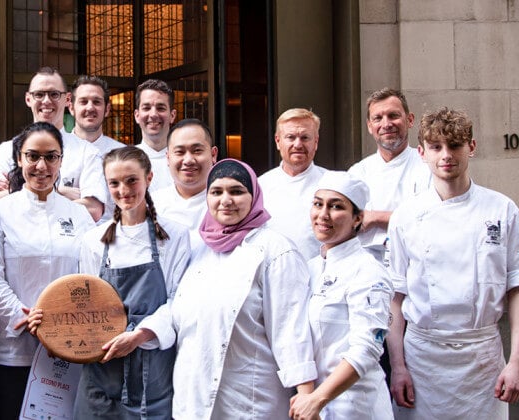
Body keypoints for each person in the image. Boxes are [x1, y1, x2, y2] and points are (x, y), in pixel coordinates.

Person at [134, 159, 317, 419]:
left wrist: (305, 394)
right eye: (216, 192)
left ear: (254, 196)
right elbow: (177, 307)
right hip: (193, 395)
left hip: (250, 398)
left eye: (236, 191)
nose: (225, 200)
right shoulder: (196, 246)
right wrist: (142, 333)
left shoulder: (275, 249)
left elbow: (290, 328)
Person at [387, 108, 519, 419]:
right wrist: (398, 367)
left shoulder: (502, 209)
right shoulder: (405, 216)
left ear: (471, 147)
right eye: (436, 147)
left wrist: (517, 361)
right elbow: (395, 299)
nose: (446, 155)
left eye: (454, 146)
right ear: (421, 153)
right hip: (422, 358)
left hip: (481, 357)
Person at [25, 147, 191, 419]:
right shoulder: (94, 241)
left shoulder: (174, 236)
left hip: (151, 371)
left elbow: (179, 302)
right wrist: (48, 323)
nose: (123, 190)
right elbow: (82, 306)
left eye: (131, 180)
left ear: (148, 178)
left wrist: (140, 335)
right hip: (100, 371)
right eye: (114, 183)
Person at [0, 122, 96, 419]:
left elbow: (92, 276)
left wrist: (63, 327)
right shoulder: (0, 212)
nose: (41, 166)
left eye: (51, 157)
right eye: (32, 156)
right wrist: (23, 315)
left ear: (61, 160)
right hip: (13, 349)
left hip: (68, 349)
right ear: (19, 159)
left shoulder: (79, 215)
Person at [288, 174, 394, 420]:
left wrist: (317, 399)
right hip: (311, 406)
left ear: (358, 218)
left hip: (356, 405)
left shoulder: (368, 271)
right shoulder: (310, 267)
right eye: (318, 204)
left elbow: (367, 348)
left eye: (336, 206)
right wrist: (308, 397)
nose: (323, 214)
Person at [0, 67, 107, 220]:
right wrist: (60, 192)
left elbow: (93, 209)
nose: (46, 101)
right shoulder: (5, 150)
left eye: (54, 94)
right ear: (28, 99)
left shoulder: (88, 152)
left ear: (67, 100)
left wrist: (15, 191)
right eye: (39, 94)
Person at [347, 88, 432, 264]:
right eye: (378, 118)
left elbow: (432, 220)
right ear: (370, 126)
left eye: (393, 116)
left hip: (417, 267)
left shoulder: (429, 166)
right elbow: (348, 224)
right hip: (367, 268)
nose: (386, 124)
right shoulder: (357, 173)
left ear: (410, 120)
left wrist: (374, 218)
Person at [257, 108, 329, 260]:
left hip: (320, 276)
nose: (298, 144)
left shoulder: (332, 184)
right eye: (290, 137)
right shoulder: (260, 186)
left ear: (316, 142)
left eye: (305, 138)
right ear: (278, 141)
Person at [151, 118, 216, 231]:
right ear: (168, 158)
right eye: (180, 152)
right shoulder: (153, 204)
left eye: (197, 150)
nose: (188, 160)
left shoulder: (227, 203)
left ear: (213, 154)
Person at [132, 79, 178, 192]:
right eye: (146, 108)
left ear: (172, 115)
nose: (153, 114)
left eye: (160, 108)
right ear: (137, 115)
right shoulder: (124, 159)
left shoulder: (185, 161)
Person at [70, 75, 127, 154]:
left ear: (107, 109)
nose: (90, 108)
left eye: (96, 102)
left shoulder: (122, 154)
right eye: (83, 102)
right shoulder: (55, 151)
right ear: (71, 108)